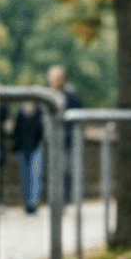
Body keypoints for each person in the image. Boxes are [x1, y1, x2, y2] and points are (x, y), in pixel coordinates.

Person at [45, 64, 85, 203]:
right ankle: (53, 198)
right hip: (50, 140)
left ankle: (65, 199)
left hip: (67, 140)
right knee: (51, 171)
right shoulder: (46, 96)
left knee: (66, 171)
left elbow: (80, 115)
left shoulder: (72, 96)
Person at [11, 102, 44, 213]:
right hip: (22, 149)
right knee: (25, 177)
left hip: (35, 148)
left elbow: (42, 132)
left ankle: (32, 204)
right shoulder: (20, 114)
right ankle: (27, 203)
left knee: (35, 176)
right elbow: (16, 131)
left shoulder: (39, 113)